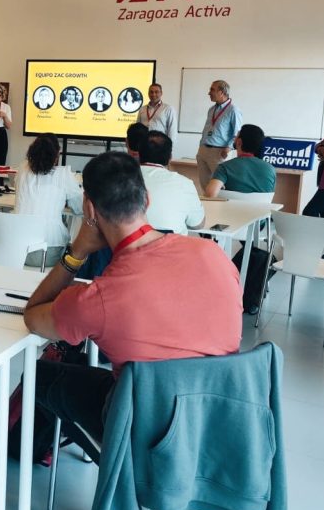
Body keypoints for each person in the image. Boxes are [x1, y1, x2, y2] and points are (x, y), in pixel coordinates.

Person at [23, 151, 241, 465]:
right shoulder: (214, 255)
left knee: (39, 375)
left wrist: (77, 251)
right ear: (147, 200)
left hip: (147, 429)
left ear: (89, 210)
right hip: (220, 419)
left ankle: (109, 464)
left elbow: (33, 316)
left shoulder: (99, 297)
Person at [14, 134, 83, 266]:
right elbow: (80, 208)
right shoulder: (63, 174)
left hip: (15, 250)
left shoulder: (22, 170)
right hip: (47, 254)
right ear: (57, 154)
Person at [137, 131, 205, 234]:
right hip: (172, 243)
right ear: (170, 158)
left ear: (138, 154)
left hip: (131, 244)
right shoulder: (185, 184)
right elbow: (198, 224)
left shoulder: (119, 180)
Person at [205, 124, 276, 197]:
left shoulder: (224, 167)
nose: (234, 138)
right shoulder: (271, 169)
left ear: (239, 142)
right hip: (261, 205)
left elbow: (210, 194)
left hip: (231, 205)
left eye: (236, 136)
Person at [196, 80, 242, 188]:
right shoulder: (211, 109)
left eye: (212, 90)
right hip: (203, 150)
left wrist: (229, 148)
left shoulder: (233, 110)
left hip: (219, 152)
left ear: (221, 92)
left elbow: (237, 133)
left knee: (222, 186)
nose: (209, 93)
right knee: (205, 186)